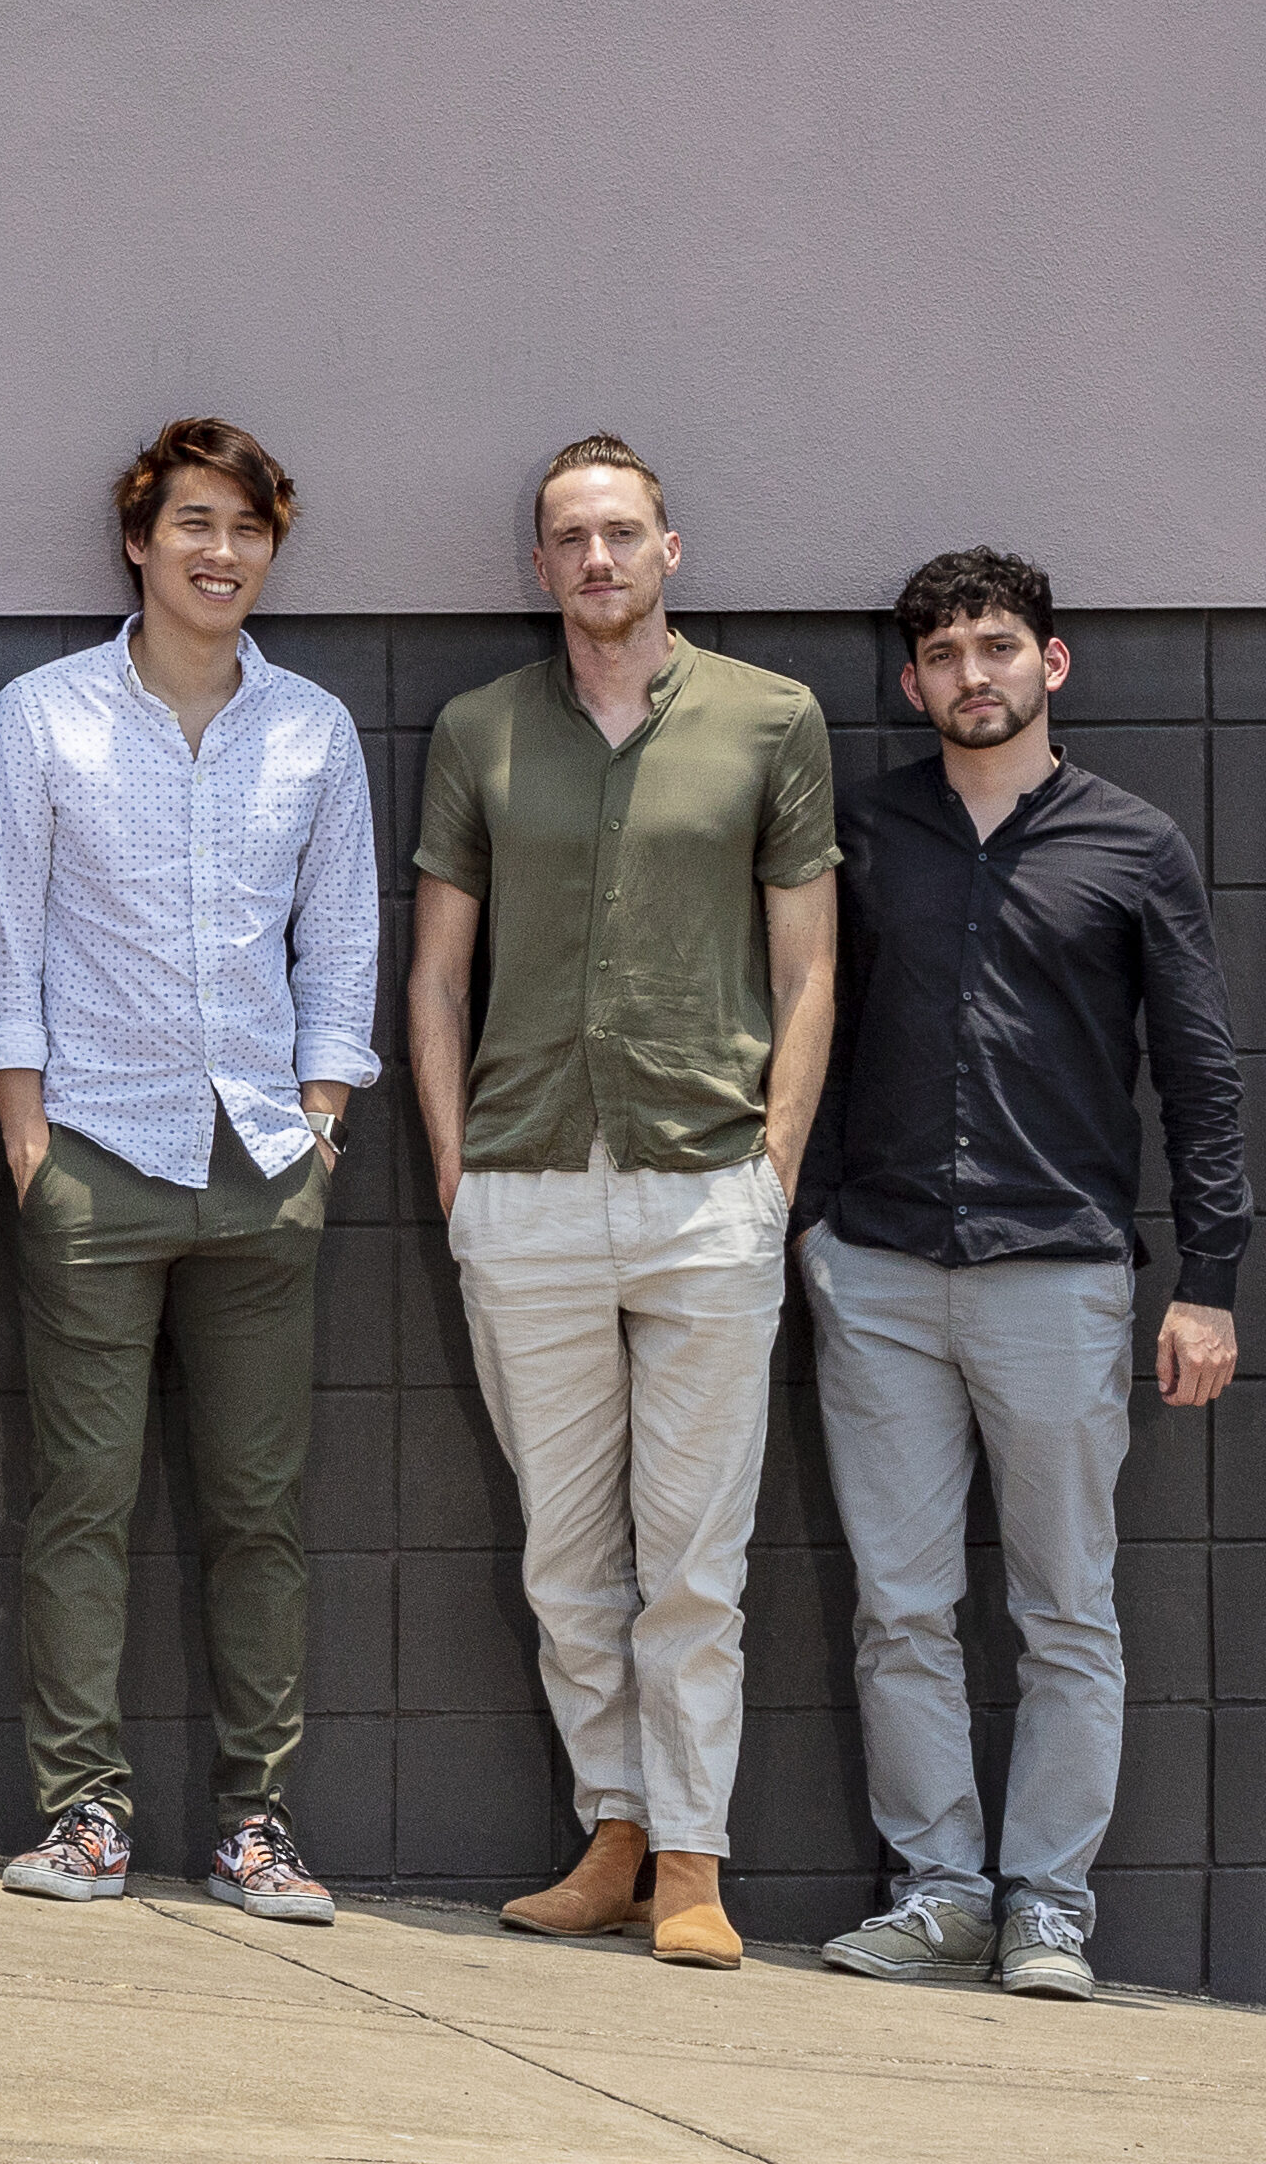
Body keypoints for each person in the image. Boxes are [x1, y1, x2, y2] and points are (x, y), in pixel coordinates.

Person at [405, 433, 840, 1968]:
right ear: (540, 566)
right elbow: (438, 975)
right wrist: (457, 1170)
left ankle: (694, 1863)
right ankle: (613, 1829)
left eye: (621, 535)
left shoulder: (769, 721)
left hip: (704, 1187)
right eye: (569, 539)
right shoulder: (477, 730)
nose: (597, 560)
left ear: (672, 550)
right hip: (522, 1187)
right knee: (562, 1550)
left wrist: (772, 1166)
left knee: (694, 1557)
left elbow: (807, 966)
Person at [798, 547, 1242, 2006]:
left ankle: (1047, 1905)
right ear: (910, 679)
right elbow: (813, 1032)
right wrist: (807, 1229)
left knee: (1066, 1605)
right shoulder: (865, 831)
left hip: (1056, 1275)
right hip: (876, 1270)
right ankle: (939, 1892)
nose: (968, 675)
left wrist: (1208, 1274)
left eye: (996, 646)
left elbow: (1198, 1072)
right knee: (901, 1605)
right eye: (940, 654)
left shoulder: (1132, 843)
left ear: (1051, 663)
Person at [0, 419, 371, 1922]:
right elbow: (7, 933)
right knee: (84, 1498)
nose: (219, 551)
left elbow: (339, 944)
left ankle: (255, 1823)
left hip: (266, 1163)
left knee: (257, 1509)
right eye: (191, 522)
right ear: (137, 540)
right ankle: (84, 1815)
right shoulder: (45, 713)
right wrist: (22, 1133)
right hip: (93, 1153)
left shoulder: (313, 730)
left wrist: (322, 1119)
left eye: (247, 529)